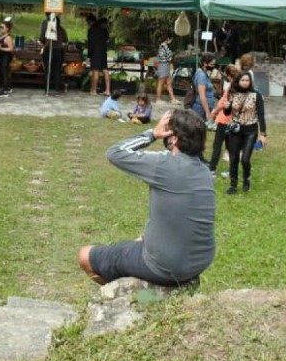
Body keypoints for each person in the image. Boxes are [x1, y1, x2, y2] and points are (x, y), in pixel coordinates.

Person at [78, 109, 215, 286]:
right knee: (140, 239)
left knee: (84, 255)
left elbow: (115, 153)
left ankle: (132, 296)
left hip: (167, 266)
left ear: (173, 138)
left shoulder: (164, 165)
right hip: (200, 261)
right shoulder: (204, 170)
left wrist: (152, 134)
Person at [222, 71, 267, 194]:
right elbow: (227, 113)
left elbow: (261, 115)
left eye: (247, 80)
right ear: (238, 81)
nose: (245, 82)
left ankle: (246, 179)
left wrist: (263, 134)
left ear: (250, 82)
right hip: (235, 130)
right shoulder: (232, 93)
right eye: (243, 80)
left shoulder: (256, 95)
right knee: (234, 158)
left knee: (245, 159)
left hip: (250, 130)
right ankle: (233, 184)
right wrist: (226, 107)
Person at [208, 64, 240, 173]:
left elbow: (224, 103)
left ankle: (212, 168)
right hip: (232, 119)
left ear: (228, 75)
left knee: (217, 145)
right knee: (230, 146)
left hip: (224, 119)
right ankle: (232, 170)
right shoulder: (238, 86)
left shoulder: (231, 87)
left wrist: (215, 111)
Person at [39, 14, 68, 93]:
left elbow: (42, 39)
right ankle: (57, 89)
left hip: (49, 50)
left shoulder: (49, 29)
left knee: (48, 70)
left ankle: (46, 89)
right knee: (57, 70)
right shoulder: (62, 30)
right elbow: (66, 40)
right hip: (58, 51)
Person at [88, 17, 111, 97]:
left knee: (96, 71)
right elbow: (108, 41)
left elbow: (90, 43)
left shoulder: (92, 30)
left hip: (96, 53)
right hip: (103, 52)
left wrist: (89, 55)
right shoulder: (105, 30)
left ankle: (94, 91)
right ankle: (107, 90)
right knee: (105, 70)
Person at [190, 52, 216, 120]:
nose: (213, 66)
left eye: (214, 64)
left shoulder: (203, 72)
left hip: (203, 108)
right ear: (205, 63)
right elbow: (202, 95)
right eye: (212, 64)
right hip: (201, 109)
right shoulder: (202, 75)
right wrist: (207, 112)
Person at [0, 20, 15, 97]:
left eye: (2, 27)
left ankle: (4, 88)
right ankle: (2, 87)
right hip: (1, 56)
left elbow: (11, 49)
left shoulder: (8, 38)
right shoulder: (1, 36)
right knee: (1, 71)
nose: (1, 29)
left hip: (6, 57)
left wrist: (1, 49)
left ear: (7, 29)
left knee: (4, 71)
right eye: (0, 27)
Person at [155, 35, 176, 105]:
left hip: (165, 65)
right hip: (163, 65)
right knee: (161, 83)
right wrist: (172, 55)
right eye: (171, 39)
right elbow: (169, 57)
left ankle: (173, 99)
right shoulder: (163, 46)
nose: (171, 41)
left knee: (169, 83)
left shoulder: (164, 46)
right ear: (168, 39)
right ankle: (158, 99)